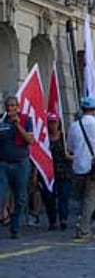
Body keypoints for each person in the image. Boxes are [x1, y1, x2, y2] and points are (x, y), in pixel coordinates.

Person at [66, 96, 95, 240]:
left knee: (80, 199)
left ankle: (81, 224)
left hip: (79, 166)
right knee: (90, 199)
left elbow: (70, 148)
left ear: (82, 109)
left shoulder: (74, 126)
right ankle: (84, 230)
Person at [0, 95, 36, 239]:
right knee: (1, 195)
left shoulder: (26, 120)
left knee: (20, 198)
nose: (10, 108)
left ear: (18, 107)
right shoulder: (1, 121)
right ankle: (5, 216)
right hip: (3, 163)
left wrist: (18, 125)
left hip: (20, 163)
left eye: (13, 106)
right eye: (8, 106)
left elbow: (30, 140)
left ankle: (15, 227)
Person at [40, 112, 72, 231]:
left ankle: (63, 218)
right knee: (49, 197)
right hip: (48, 173)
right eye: (50, 123)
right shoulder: (44, 138)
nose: (53, 125)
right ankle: (52, 220)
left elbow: (73, 153)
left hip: (64, 171)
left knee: (63, 197)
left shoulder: (65, 138)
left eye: (55, 122)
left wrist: (69, 156)